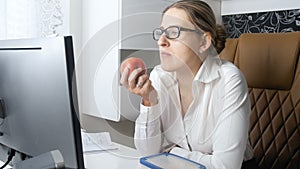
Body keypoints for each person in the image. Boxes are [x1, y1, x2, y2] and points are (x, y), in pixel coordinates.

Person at [120, 0, 257, 168]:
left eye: (173, 32)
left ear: (203, 42)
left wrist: (172, 152)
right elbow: (148, 154)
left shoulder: (229, 80)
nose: (161, 41)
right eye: (161, 32)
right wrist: (149, 101)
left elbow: (224, 166)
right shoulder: (159, 76)